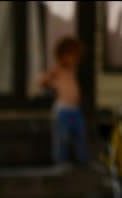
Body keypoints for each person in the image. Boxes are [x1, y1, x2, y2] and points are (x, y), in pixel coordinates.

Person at [38, 35, 89, 169]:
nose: (74, 59)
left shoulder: (73, 70)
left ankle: (83, 161)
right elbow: (42, 81)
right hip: (63, 110)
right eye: (71, 55)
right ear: (63, 55)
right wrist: (53, 85)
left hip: (75, 109)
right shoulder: (57, 69)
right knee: (63, 136)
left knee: (80, 134)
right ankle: (61, 162)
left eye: (76, 56)